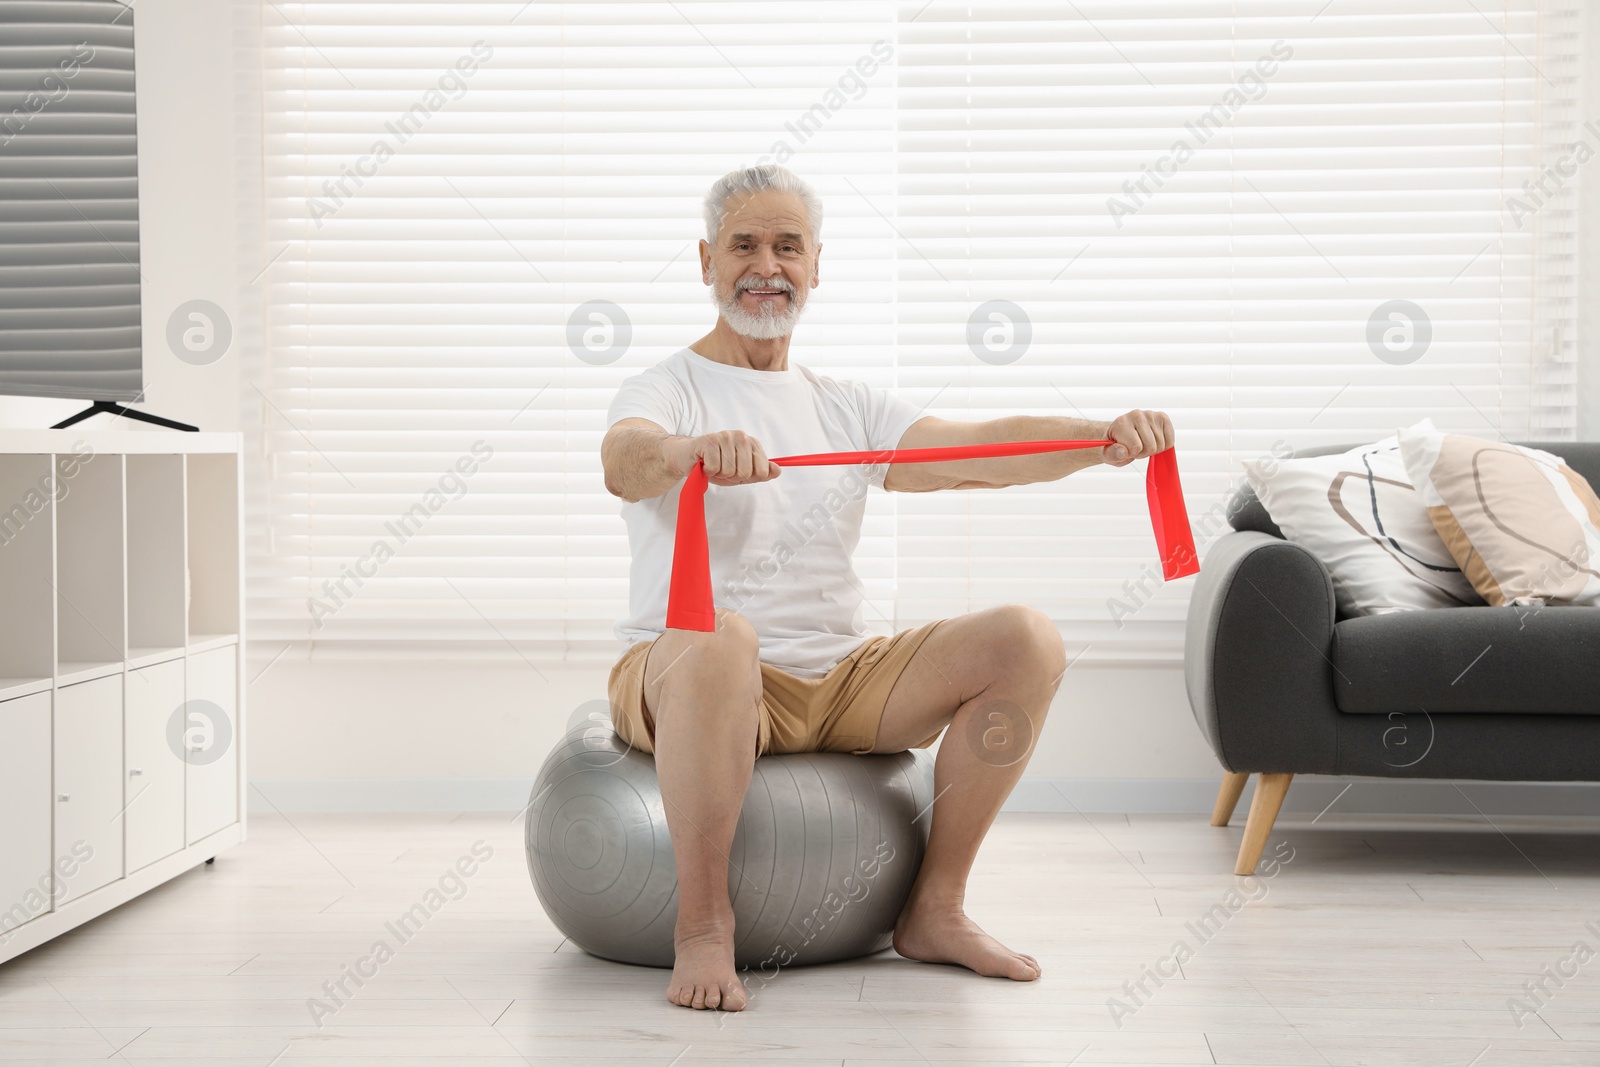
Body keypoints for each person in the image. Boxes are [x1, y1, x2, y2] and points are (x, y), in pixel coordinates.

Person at [600, 164, 1174, 1012]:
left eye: (788, 246)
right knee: (726, 636)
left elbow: (974, 451)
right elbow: (624, 460)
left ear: (817, 266)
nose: (768, 265)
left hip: (838, 678)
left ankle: (936, 909)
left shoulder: (845, 404)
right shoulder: (668, 386)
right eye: (745, 245)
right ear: (707, 261)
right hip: (687, 669)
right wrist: (687, 453)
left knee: (1027, 638)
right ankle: (704, 926)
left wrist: (1101, 438)